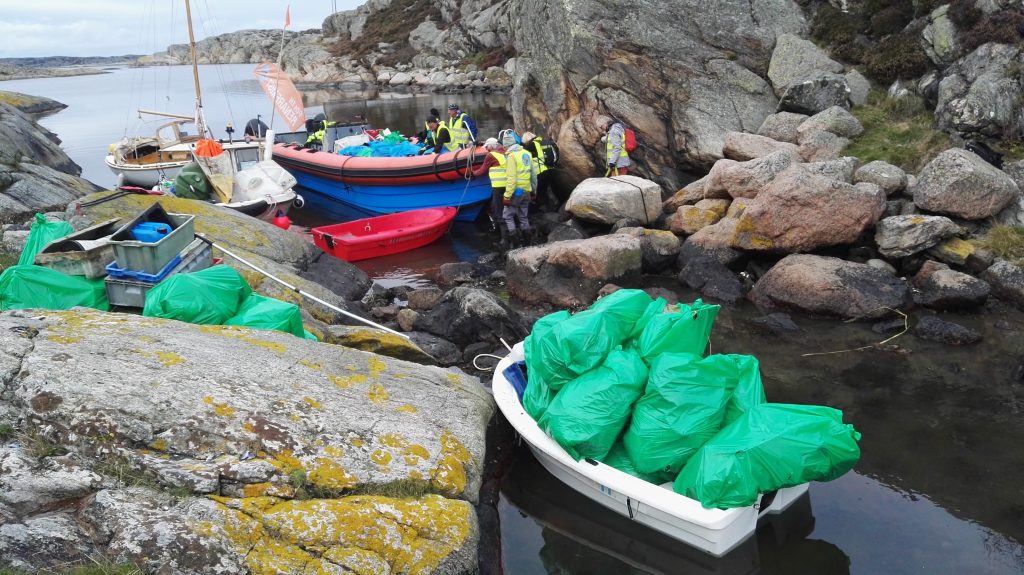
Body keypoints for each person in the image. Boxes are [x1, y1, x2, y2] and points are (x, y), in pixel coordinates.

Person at [502, 131, 537, 248]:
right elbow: (533, 175)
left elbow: (511, 179)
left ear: (506, 145)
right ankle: (527, 244)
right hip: (527, 190)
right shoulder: (526, 153)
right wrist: (534, 191)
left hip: (516, 192)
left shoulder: (511, 156)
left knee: (507, 215)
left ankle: (515, 244)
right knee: (523, 216)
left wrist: (507, 196)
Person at [471, 137, 508, 231]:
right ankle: (509, 229)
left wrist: (473, 173)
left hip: (498, 186)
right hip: (509, 184)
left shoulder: (491, 155)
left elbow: (483, 169)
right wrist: (479, 143)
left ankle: (504, 237)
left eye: (487, 147)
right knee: (505, 207)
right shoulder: (505, 152)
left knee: (497, 209)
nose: (486, 149)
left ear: (491, 146)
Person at [521, 131, 555, 211]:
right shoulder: (543, 141)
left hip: (540, 172)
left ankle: (542, 209)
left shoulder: (531, 145)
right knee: (545, 190)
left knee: (539, 191)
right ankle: (549, 207)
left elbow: (522, 154)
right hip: (550, 168)